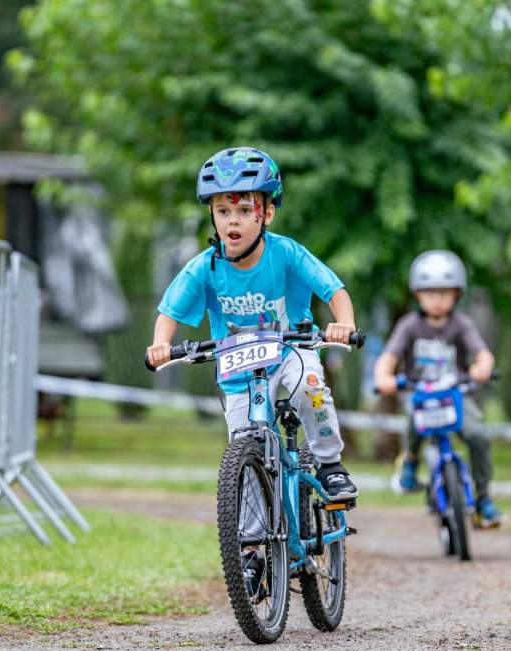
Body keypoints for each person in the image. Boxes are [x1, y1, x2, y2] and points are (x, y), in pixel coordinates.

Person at [146, 146, 358, 500]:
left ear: (267, 214)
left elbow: (333, 289)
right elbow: (170, 312)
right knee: (244, 446)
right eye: (223, 211)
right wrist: (160, 345)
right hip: (237, 362)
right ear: (212, 216)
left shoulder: (286, 253)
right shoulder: (205, 267)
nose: (233, 221)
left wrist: (345, 323)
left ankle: (329, 463)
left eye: (245, 210)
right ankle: (253, 541)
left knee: (309, 388)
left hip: (293, 349)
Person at [373, 250, 503, 527]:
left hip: (455, 394)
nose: (437, 299)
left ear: (457, 294)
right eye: (430, 293)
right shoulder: (409, 325)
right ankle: (410, 461)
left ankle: (483, 498)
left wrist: (482, 368)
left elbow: (482, 354)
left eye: (444, 293)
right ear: (417, 294)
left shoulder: (461, 324)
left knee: (478, 435)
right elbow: (388, 358)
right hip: (420, 395)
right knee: (415, 421)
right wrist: (385, 377)